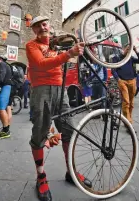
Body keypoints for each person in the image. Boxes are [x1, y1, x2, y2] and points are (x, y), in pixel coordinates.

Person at [26, 16, 92, 201]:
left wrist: (77, 49)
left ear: (50, 25)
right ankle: (41, 177)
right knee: (39, 134)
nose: (42, 28)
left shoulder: (57, 44)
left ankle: (71, 172)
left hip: (60, 89)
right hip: (41, 91)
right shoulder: (32, 46)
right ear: (34, 31)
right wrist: (69, 53)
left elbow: (70, 56)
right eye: (37, 26)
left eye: (44, 24)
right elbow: (40, 63)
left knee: (69, 130)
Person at [111, 44, 139, 124]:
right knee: (126, 101)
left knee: (131, 103)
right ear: (123, 49)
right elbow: (113, 70)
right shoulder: (117, 58)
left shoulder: (130, 58)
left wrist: (136, 51)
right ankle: (128, 122)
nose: (128, 51)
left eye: (129, 49)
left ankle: (128, 117)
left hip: (132, 81)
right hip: (122, 81)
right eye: (127, 49)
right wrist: (118, 79)